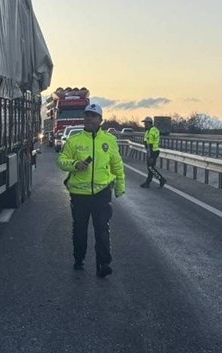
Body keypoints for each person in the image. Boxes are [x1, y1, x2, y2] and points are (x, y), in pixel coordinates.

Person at [58, 103, 126, 277]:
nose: (88, 118)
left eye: (93, 116)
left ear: (100, 120)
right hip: (79, 195)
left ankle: (103, 264)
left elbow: (117, 165)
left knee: (102, 229)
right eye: (87, 115)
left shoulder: (109, 141)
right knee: (80, 229)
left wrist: (120, 186)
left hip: (102, 193)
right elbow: (61, 161)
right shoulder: (75, 140)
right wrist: (74, 164)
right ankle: (79, 259)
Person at [140, 117, 166, 188]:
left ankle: (161, 179)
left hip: (153, 151)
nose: (144, 124)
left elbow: (150, 144)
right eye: (144, 123)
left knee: (151, 168)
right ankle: (148, 183)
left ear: (149, 123)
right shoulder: (148, 131)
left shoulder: (152, 131)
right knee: (150, 168)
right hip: (151, 151)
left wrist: (150, 155)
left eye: (145, 123)